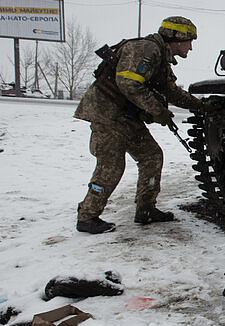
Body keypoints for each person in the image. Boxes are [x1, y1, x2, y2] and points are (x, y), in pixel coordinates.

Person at [74, 16, 205, 234]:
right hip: (109, 116)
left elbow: (171, 91)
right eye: (189, 41)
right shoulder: (146, 49)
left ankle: (146, 209)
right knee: (111, 166)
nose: (191, 47)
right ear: (176, 38)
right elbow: (128, 84)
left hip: (126, 118)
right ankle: (87, 217)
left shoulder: (160, 58)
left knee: (151, 156)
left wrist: (201, 106)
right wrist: (157, 111)